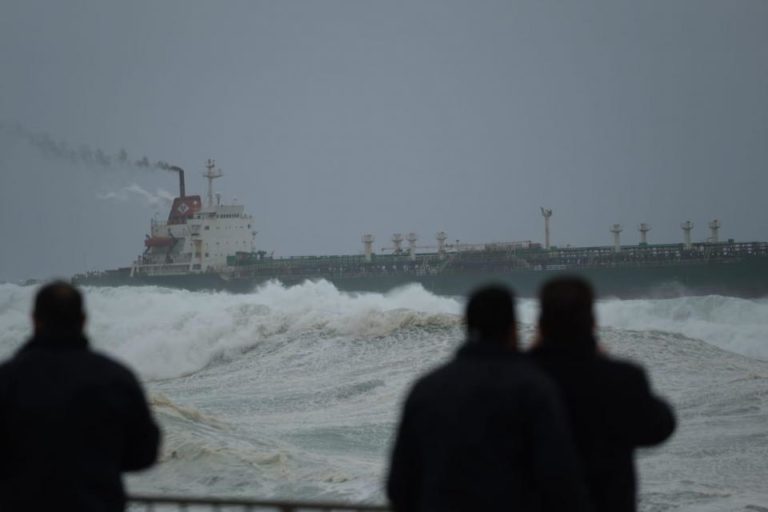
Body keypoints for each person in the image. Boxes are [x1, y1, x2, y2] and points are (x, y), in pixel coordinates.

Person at [386, 285, 590, 512]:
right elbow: (559, 479)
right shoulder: (533, 388)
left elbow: (400, 484)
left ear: (467, 325)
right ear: (513, 329)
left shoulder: (426, 388)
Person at [0, 281, 160, 512]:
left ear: (35, 319)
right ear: (83, 320)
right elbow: (144, 453)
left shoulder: (8, 379)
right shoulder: (116, 378)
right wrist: (101, 461)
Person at [529, 276, 676, 512]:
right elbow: (660, 427)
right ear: (592, 322)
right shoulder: (621, 378)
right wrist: (602, 363)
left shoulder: (517, 380)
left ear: (541, 324)